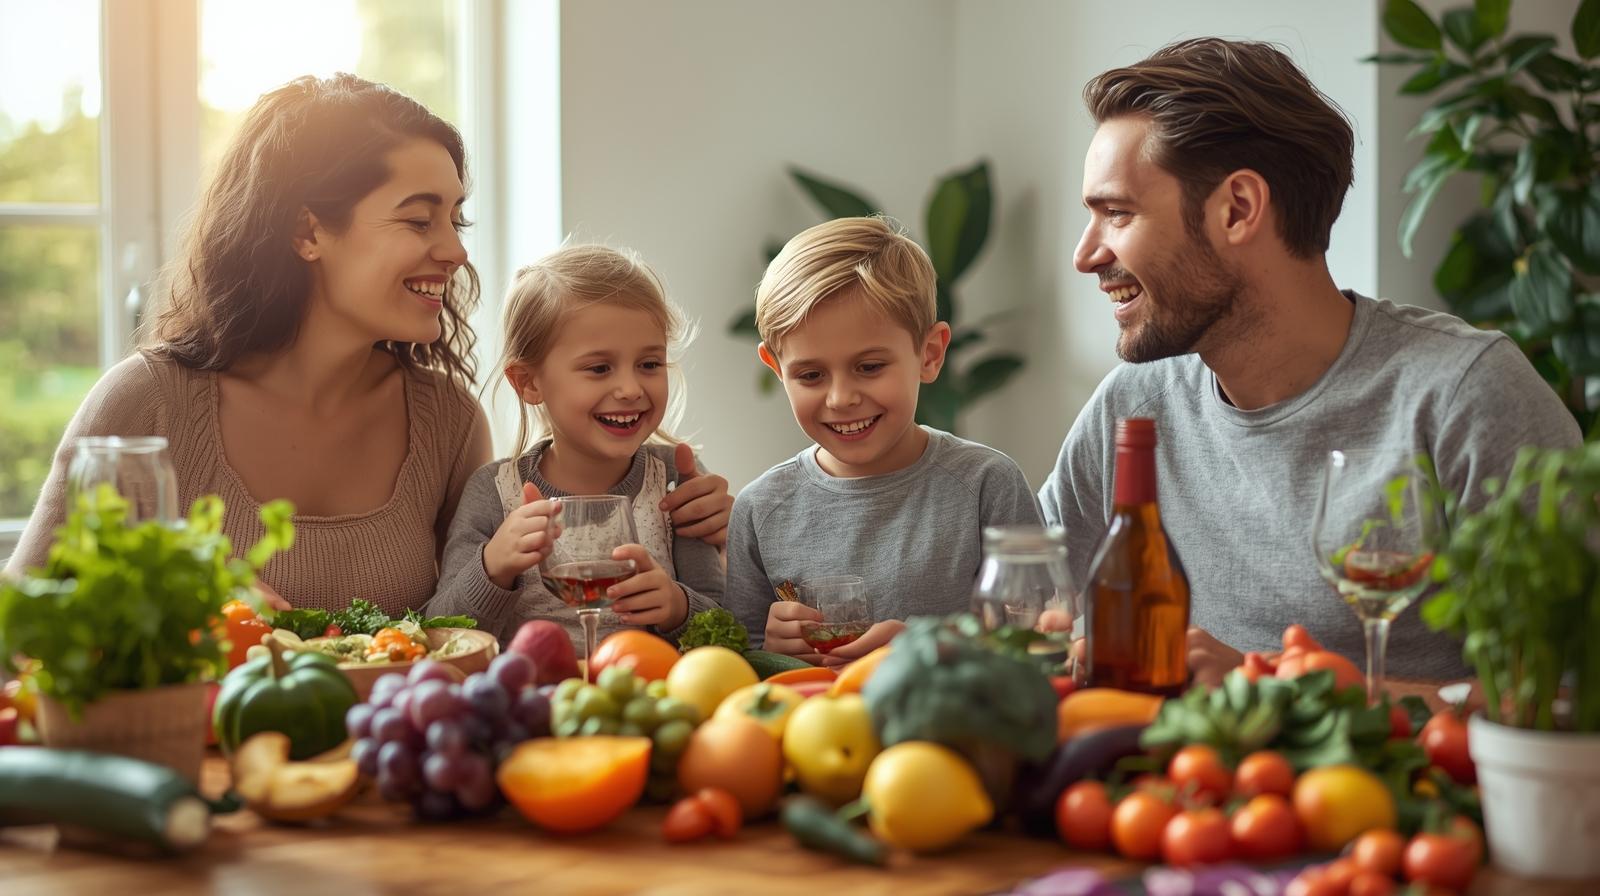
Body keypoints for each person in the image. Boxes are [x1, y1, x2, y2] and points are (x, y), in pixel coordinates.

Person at [5, 74, 732, 616]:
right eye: (418, 220)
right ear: (308, 231)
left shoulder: (446, 420)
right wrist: (178, 603)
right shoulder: (148, 402)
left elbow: (471, 631)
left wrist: (695, 518)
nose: (455, 251)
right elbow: (23, 629)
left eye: (456, 220)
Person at [1038, 38, 1580, 683]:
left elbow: (1565, 694)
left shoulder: (1468, 396)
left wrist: (1289, 691)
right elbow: (1027, 593)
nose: (1086, 255)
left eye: (1117, 214)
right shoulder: (1133, 407)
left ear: (1238, 209)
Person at [724, 216, 1043, 664]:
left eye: (869, 367)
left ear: (929, 354)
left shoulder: (988, 484)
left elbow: (1037, 639)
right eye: (811, 375)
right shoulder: (760, 509)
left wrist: (935, 648)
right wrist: (768, 650)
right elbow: (742, 664)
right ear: (777, 369)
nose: (841, 398)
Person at [424, 246, 725, 646]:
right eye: (599, 368)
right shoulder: (493, 492)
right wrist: (493, 567)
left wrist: (679, 607)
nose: (630, 388)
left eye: (649, 364)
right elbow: (440, 634)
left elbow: (728, 628)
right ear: (529, 382)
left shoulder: (673, 482)